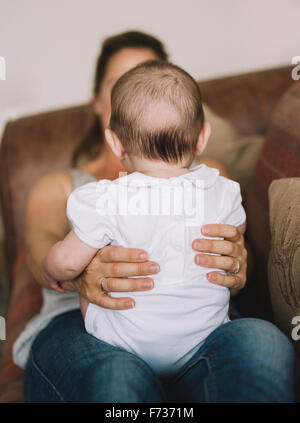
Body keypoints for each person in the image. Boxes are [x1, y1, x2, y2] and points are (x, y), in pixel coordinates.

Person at [16, 31, 294, 402]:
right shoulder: (64, 186)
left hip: (199, 335)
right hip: (83, 326)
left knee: (265, 344)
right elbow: (38, 253)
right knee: (116, 379)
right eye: (123, 85)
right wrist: (83, 274)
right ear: (99, 100)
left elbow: (238, 250)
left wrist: (241, 264)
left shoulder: (210, 173)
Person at [43, 60, 247, 378]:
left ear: (116, 143)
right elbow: (236, 233)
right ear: (202, 137)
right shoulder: (221, 190)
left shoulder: (104, 199)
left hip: (124, 343)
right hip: (203, 339)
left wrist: (53, 269)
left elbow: (67, 263)